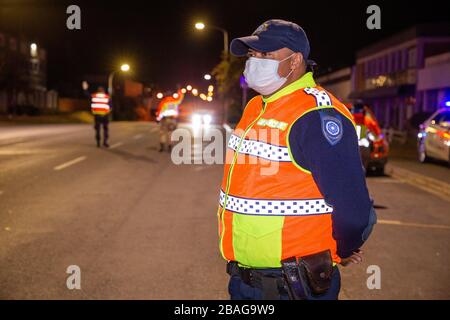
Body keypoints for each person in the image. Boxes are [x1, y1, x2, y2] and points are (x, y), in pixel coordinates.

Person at [217, 19, 377, 300]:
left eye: (266, 55)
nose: (255, 61)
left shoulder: (317, 115)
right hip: (244, 280)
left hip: (293, 285)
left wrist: (342, 249)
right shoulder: (256, 106)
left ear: (295, 61)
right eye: (253, 55)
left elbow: (354, 209)